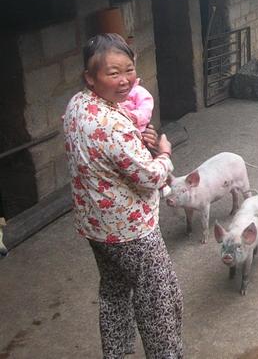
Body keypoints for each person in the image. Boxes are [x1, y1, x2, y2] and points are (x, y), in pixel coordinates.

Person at [63, 33, 184, 358]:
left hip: (96, 227)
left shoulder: (78, 105)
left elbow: (108, 150)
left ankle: (115, 354)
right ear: (90, 77)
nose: (124, 80)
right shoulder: (112, 125)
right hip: (131, 232)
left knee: (114, 293)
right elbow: (149, 177)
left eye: (128, 69)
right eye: (112, 73)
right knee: (159, 302)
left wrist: (134, 134)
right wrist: (163, 152)